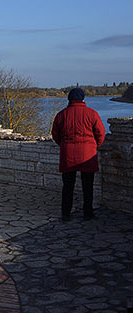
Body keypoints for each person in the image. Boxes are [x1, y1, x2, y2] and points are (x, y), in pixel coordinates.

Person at [51, 88, 105, 220]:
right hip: (87, 154)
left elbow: (55, 134)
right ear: (83, 99)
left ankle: (66, 213)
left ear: (69, 99)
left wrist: (64, 145)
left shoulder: (61, 115)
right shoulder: (92, 114)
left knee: (68, 186)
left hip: (68, 154)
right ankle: (88, 212)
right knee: (88, 186)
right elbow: (101, 133)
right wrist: (93, 146)